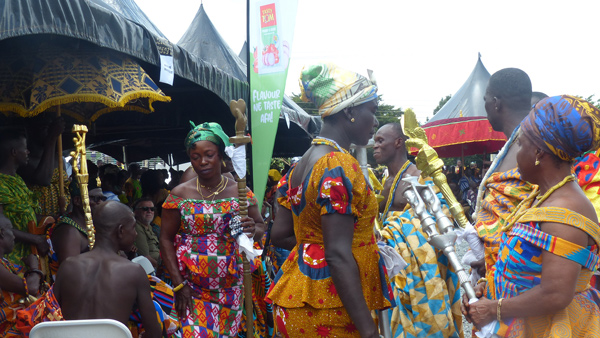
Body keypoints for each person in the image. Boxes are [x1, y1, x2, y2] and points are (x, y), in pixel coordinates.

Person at [266, 63, 394, 338]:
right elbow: (337, 254)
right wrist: (370, 333)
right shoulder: (337, 165)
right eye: (371, 111)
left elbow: (279, 234)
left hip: (297, 299)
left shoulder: (297, 169)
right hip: (329, 310)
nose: (375, 121)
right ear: (349, 111)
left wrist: (316, 250)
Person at [465, 95, 600, 336]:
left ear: (538, 152)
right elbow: (530, 268)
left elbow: (555, 294)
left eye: (521, 145)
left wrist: (493, 309)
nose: (517, 155)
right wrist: (491, 287)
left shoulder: (566, 213)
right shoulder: (542, 196)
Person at [160, 122, 265, 338]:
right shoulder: (180, 194)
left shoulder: (241, 192)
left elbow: (261, 226)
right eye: (195, 157)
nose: (202, 162)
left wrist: (253, 229)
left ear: (221, 156)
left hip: (231, 288)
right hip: (193, 289)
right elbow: (165, 239)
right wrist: (179, 286)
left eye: (209, 154)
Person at [373, 123, 462, 338]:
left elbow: (437, 222)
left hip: (417, 271)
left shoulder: (419, 177)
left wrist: (394, 233)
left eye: (380, 141)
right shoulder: (386, 182)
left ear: (398, 142)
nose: (375, 146)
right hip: (391, 269)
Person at [27, 201, 161, 338]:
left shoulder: (68, 266)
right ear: (121, 231)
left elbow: (50, 313)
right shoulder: (134, 272)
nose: (136, 234)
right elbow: (154, 333)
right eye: (133, 228)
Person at [471, 68, 536, 287]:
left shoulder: (532, 145)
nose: (486, 106)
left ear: (496, 103)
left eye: (486, 100)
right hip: (502, 269)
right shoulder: (518, 142)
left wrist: (500, 253)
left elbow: (538, 216)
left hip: (525, 278)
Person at [0, 127, 49, 266]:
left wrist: (55, 218)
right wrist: (35, 239)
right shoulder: (1, 184)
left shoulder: (18, 180)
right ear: (14, 152)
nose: (28, 152)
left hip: (30, 254)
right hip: (12, 258)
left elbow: (28, 213)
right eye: (25, 148)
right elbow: (1, 228)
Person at [46, 185, 106, 279]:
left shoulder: (93, 225)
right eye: (96, 199)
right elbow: (71, 276)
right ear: (77, 200)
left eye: (102, 198)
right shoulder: (69, 232)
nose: (101, 203)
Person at [0, 215, 45, 337]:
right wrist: (34, 267)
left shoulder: (4, 262)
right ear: (2, 233)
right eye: (11, 230)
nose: (14, 236)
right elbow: (31, 288)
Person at [19, 116, 69, 218]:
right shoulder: (24, 160)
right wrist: (52, 138)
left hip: (61, 219)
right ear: (30, 131)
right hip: (38, 222)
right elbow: (44, 180)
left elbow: (66, 188)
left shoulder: (58, 159)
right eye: (45, 128)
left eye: (52, 128)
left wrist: (68, 212)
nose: (49, 131)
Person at [132, 198, 160, 267]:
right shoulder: (137, 228)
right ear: (136, 212)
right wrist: (162, 269)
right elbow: (145, 257)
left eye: (152, 209)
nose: (149, 211)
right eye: (145, 208)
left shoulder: (149, 226)